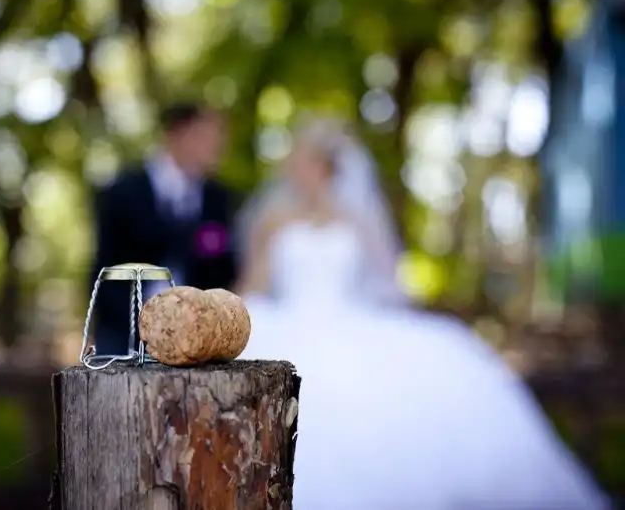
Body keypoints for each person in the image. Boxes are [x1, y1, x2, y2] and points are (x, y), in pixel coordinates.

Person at [236, 118, 610, 509]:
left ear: (325, 168)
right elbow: (254, 282)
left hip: (351, 319)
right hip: (291, 321)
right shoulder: (275, 220)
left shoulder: (357, 221)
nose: (295, 171)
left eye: (303, 162)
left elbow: (389, 281)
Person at [89, 102, 238, 355]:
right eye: (207, 136)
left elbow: (224, 266)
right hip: (123, 332)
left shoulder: (218, 199)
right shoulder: (122, 192)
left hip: (196, 337)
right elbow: (105, 268)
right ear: (177, 134)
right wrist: (139, 324)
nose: (218, 145)